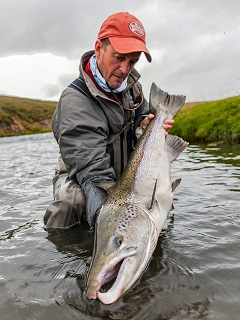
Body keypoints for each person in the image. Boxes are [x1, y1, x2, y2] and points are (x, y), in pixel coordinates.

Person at [44, 12, 174, 230]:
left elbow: (139, 118)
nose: (125, 70)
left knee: (160, 199)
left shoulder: (133, 88)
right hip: (83, 174)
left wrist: (144, 126)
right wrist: (111, 228)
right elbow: (91, 171)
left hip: (124, 174)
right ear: (98, 48)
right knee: (71, 205)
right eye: (119, 57)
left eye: (132, 61)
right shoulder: (75, 101)